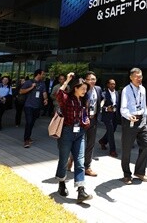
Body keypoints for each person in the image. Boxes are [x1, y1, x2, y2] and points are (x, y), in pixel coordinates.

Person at [54, 72, 92, 203]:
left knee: (80, 161)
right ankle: (61, 183)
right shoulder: (66, 99)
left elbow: (85, 114)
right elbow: (58, 94)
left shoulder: (83, 100)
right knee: (64, 160)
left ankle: (81, 190)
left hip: (80, 133)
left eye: (86, 89)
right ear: (75, 88)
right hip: (67, 132)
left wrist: (86, 122)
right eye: (82, 88)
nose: (84, 91)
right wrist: (67, 80)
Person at [120, 67, 147, 184]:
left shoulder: (143, 89)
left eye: (141, 76)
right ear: (131, 77)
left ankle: (140, 171)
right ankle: (127, 174)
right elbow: (123, 108)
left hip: (142, 120)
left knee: (146, 144)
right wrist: (129, 116)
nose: (139, 79)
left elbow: (143, 105)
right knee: (127, 148)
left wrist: (145, 119)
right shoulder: (126, 90)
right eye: (137, 76)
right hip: (130, 120)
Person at [20, 69, 48, 148]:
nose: (44, 75)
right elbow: (21, 91)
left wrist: (46, 99)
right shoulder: (29, 82)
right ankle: (26, 140)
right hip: (28, 105)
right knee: (29, 122)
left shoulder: (42, 83)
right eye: (43, 74)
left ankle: (28, 136)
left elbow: (44, 92)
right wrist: (31, 87)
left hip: (37, 106)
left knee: (32, 123)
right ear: (38, 74)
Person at [84, 71, 102, 176]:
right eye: (89, 79)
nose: (92, 81)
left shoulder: (98, 89)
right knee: (79, 143)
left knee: (90, 144)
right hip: (82, 120)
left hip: (93, 119)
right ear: (85, 80)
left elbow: (100, 102)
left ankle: (87, 167)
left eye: (93, 79)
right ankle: (72, 159)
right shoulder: (82, 89)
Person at [98, 78, 120, 157]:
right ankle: (112, 150)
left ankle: (103, 141)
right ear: (107, 85)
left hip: (115, 115)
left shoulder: (117, 93)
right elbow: (100, 106)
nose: (113, 85)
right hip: (107, 116)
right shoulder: (103, 94)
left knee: (112, 130)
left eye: (114, 84)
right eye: (111, 84)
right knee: (110, 132)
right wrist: (107, 108)